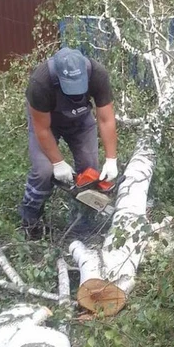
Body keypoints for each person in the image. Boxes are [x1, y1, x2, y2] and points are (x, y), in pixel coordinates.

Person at [19, 47, 119, 239]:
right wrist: (58, 163)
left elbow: (106, 119)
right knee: (43, 170)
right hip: (47, 125)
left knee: (90, 170)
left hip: (81, 122)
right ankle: (30, 218)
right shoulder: (40, 82)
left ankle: (83, 223)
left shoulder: (97, 74)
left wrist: (111, 158)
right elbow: (42, 129)